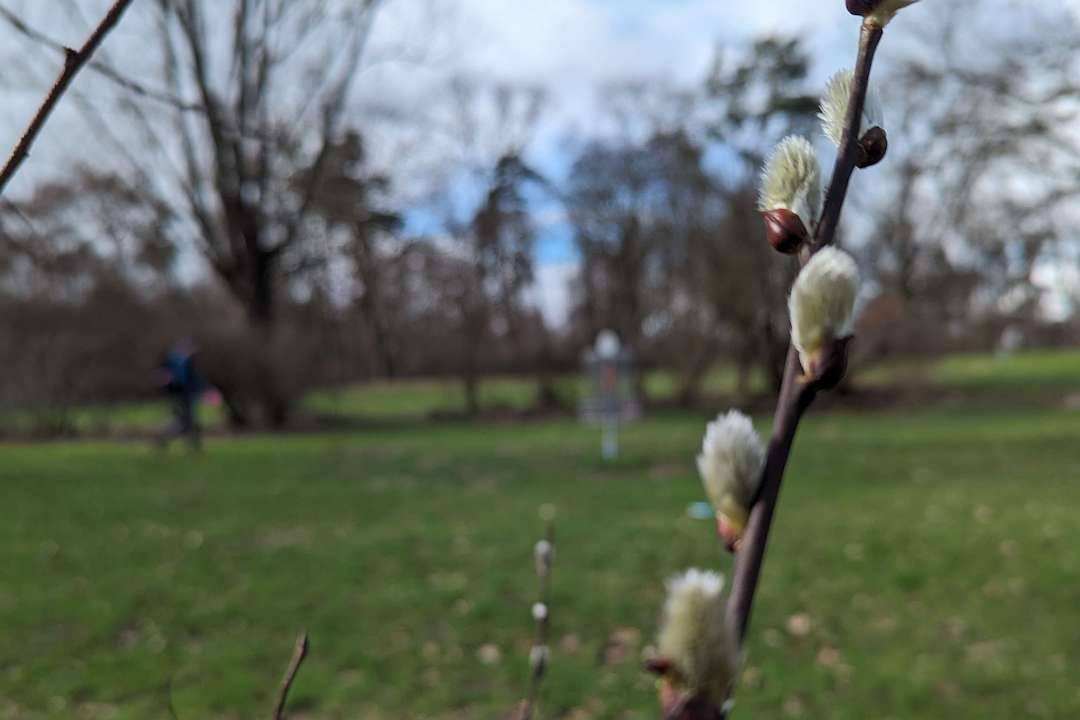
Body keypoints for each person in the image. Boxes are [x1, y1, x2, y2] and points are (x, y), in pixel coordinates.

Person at [156, 339, 203, 450]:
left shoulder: (176, 361)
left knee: (186, 421)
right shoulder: (179, 361)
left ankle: (194, 445)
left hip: (180, 395)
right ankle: (163, 439)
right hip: (182, 395)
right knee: (185, 421)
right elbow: (186, 380)